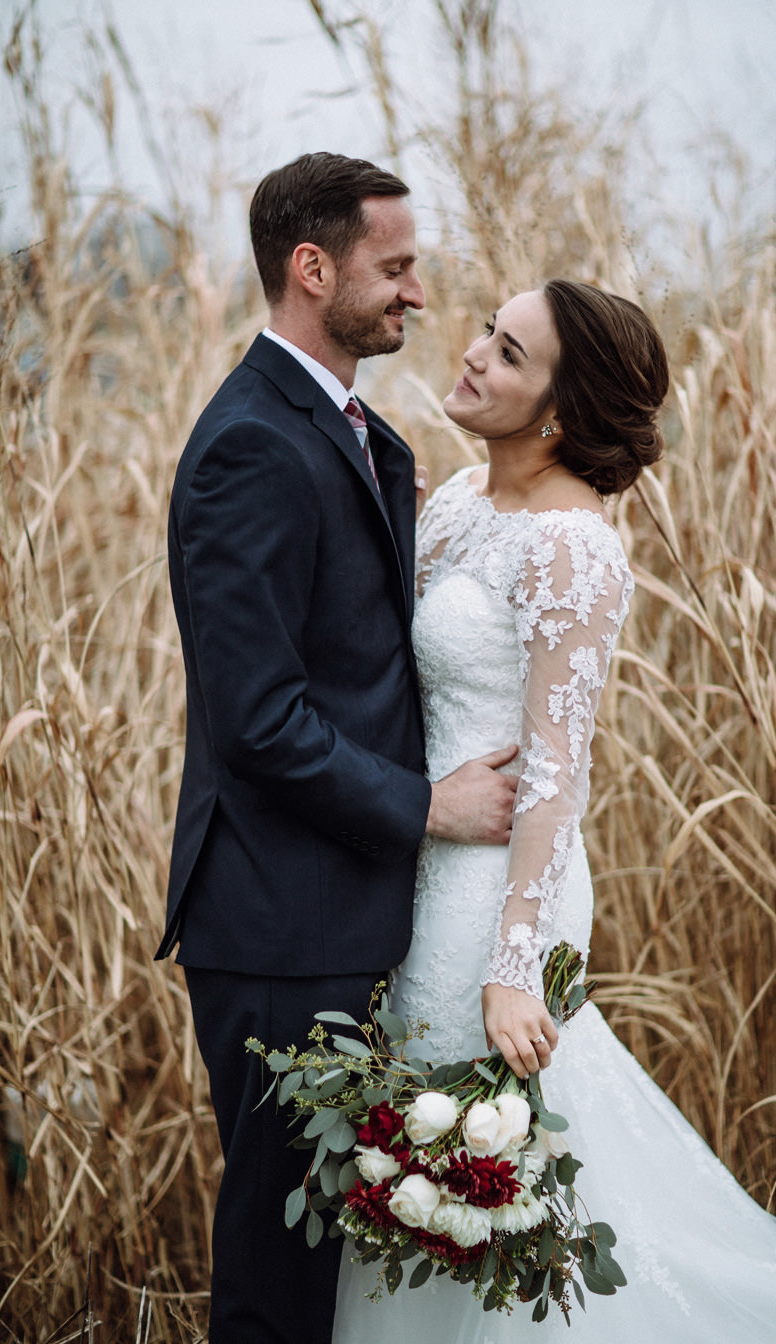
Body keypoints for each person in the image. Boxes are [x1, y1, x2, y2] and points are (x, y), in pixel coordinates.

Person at [331, 280, 776, 1340]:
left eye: (510, 354)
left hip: (494, 893)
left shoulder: (576, 549)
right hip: (418, 858)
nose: (476, 355)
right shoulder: (454, 502)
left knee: (476, 1153)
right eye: (489, 332)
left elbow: (555, 767)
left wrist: (514, 961)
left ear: (561, 414)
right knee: (415, 1156)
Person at [157, 152, 520, 1343]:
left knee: (334, 1261)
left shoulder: (359, 431)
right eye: (396, 266)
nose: (418, 293)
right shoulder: (250, 444)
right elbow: (256, 720)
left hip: (344, 916)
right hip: (276, 928)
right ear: (313, 269)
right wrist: (429, 809)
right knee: (279, 1268)